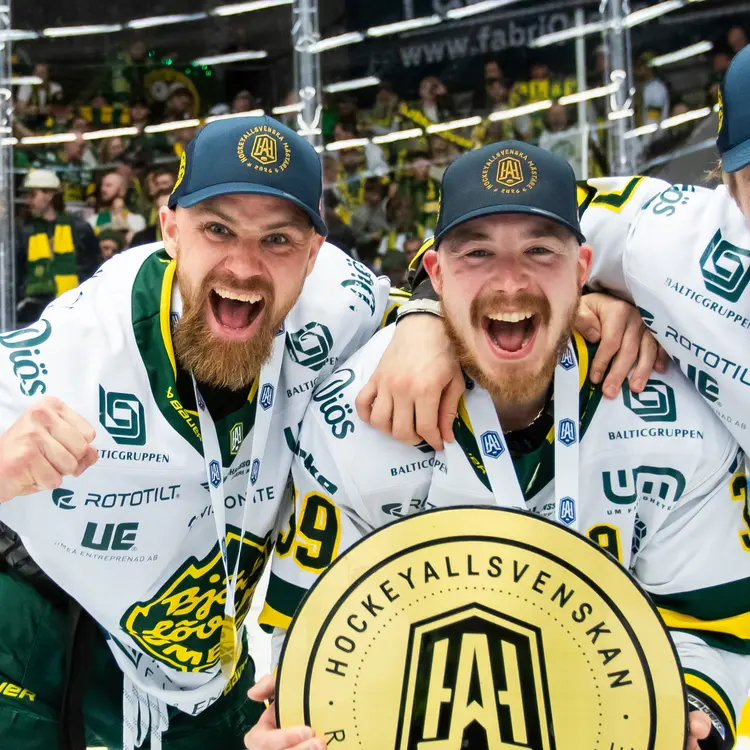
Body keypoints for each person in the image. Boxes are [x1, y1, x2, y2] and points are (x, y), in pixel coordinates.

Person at [250, 142, 750, 750]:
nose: (510, 282)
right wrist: (304, 721)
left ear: (582, 269)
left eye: (540, 251)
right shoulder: (352, 418)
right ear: (435, 274)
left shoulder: (669, 415)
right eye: (477, 253)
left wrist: (692, 713)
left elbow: (711, 625)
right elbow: (320, 636)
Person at [0, 115, 456, 750]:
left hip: (209, 660)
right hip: (47, 630)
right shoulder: (77, 351)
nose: (244, 267)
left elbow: (482, 274)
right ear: (170, 230)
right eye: (217, 230)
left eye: (278, 239)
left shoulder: (336, 303)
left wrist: (430, 317)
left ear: (313, 255)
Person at [16, 169, 101, 325]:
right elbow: (18, 274)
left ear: (49, 195)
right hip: (33, 314)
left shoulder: (80, 229)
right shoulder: (24, 232)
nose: (28, 202)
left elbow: (94, 270)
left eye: (32, 195)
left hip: (74, 310)